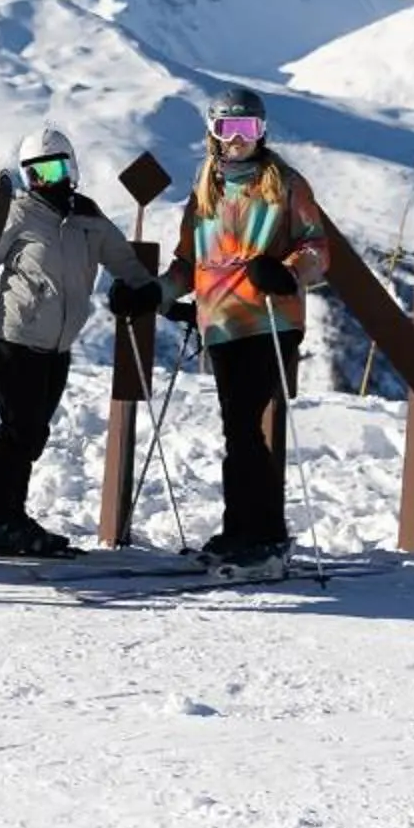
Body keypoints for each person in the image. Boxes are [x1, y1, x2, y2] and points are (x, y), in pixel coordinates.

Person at [0, 126, 161, 555]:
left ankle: (7, 517)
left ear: (70, 165)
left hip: (57, 347)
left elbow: (126, 264)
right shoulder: (19, 214)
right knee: (19, 430)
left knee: (32, 434)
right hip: (14, 339)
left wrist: (153, 296)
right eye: (34, 173)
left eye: (53, 168)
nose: (45, 180)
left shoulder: (90, 220)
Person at [161, 86, 331, 577]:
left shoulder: (285, 184)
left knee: (245, 428)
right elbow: (188, 260)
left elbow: (317, 245)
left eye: (248, 130)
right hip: (221, 325)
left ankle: (264, 533)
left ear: (262, 132)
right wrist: (160, 294)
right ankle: (242, 529)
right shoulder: (206, 188)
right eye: (229, 130)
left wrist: (289, 272)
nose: (239, 141)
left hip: (269, 319)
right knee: (237, 431)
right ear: (212, 133)